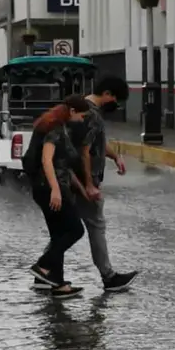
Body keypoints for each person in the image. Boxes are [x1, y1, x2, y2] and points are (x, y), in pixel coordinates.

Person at [74, 74, 139, 292]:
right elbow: (85, 151)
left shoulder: (86, 109)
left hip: (76, 179)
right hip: (84, 180)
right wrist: (89, 183)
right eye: (116, 100)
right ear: (107, 94)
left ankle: (46, 269)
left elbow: (98, 143)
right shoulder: (92, 115)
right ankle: (109, 277)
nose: (116, 105)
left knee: (67, 229)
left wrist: (115, 157)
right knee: (96, 225)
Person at [26, 95, 92, 299]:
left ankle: (57, 284)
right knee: (75, 230)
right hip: (49, 189)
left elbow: (63, 166)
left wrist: (82, 189)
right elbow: (47, 161)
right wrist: (55, 189)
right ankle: (43, 266)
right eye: (82, 115)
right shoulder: (54, 130)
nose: (82, 120)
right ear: (72, 111)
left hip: (50, 187)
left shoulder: (60, 127)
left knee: (58, 236)